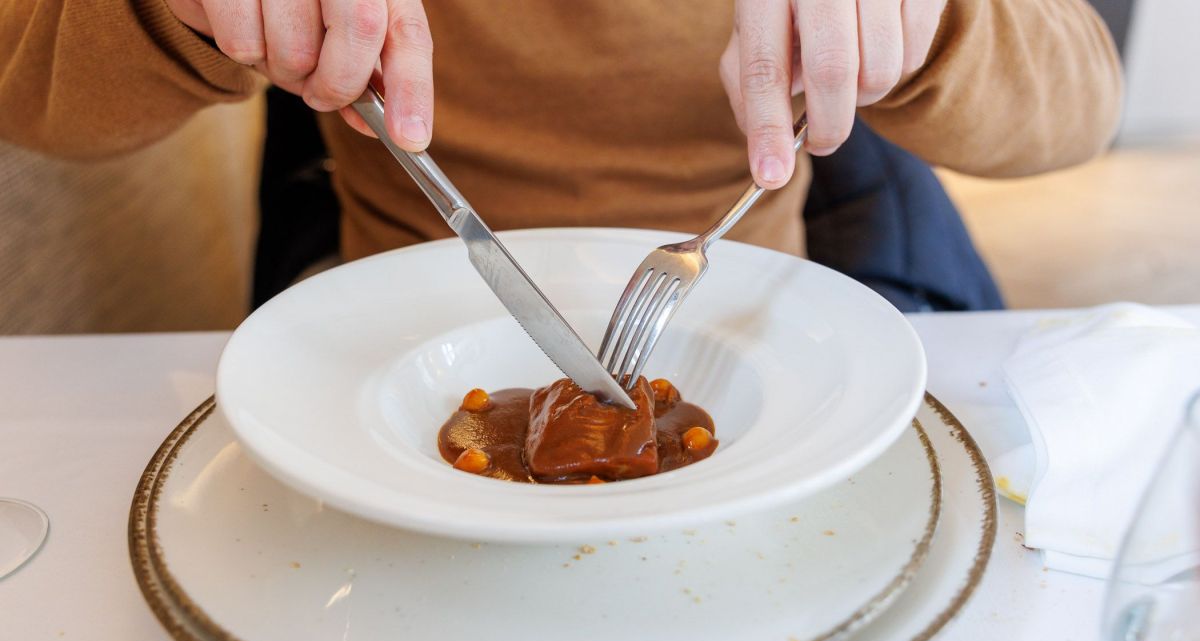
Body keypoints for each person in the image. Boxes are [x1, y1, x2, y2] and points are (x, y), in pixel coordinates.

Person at [0, 0, 1121, 263]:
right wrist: (172, 18)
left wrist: (931, 25)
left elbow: (1083, 102)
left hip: (759, 303)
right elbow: (26, 93)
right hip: (388, 309)